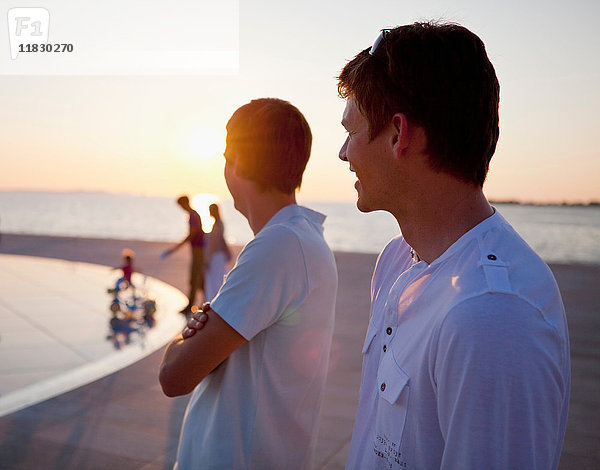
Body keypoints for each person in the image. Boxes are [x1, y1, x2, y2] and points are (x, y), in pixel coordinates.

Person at [337, 22, 570, 469]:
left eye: (351, 130)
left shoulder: (493, 314)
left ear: (398, 134)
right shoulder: (395, 262)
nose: (344, 153)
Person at [158, 98, 338, 469]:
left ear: (236, 162)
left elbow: (174, 376)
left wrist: (189, 333)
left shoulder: (279, 246)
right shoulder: (302, 239)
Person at [162, 195, 205, 314]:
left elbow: (193, 233)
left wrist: (177, 246)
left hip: (198, 250)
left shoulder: (193, 215)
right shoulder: (194, 215)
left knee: (195, 277)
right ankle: (199, 302)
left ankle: (191, 305)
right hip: (197, 249)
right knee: (199, 278)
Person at [203, 202, 231, 300]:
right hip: (217, 256)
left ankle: (213, 301)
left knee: (215, 280)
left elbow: (214, 244)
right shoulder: (218, 224)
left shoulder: (218, 225)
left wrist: (207, 259)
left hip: (216, 257)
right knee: (215, 280)